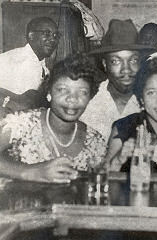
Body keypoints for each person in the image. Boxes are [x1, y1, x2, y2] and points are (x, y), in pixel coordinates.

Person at [80, 19, 157, 140]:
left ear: (140, 60)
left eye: (133, 60)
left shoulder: (154, 94)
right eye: (116, 61)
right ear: (105, 64)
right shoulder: (90, 99)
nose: (125, 69)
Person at [0, 53, 106, 183]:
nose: (72, 99)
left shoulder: (95, 142)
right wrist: (29, 172)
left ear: (90, 97)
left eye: (82, 92)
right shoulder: (22, 124)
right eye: (62, 90)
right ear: (49, 92)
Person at [0, 17, 59, 95]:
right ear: (31, 36)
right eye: (46, 34)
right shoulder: (10, 60)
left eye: (55, 35)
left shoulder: (44, 68)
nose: (53, 39)